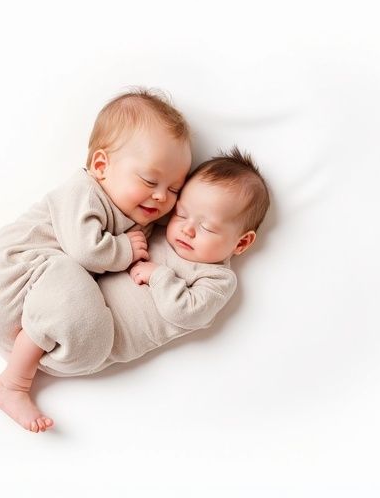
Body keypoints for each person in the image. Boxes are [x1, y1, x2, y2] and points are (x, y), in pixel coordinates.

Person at [0, 88, 192, 432]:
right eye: (150, 180)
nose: (161, 196)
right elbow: (86, 249)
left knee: (83, 325)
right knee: (74, 290)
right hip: (7, 277)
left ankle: (25, 356)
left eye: (174, 189)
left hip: (28, 307)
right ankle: (12, 384)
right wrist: (126, 251)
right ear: (102, 166)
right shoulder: (82, 192)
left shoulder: (133, 214)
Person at [92, 147, 270, 373]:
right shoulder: (157, 230)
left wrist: (158, 276)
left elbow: (188, 313)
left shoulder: (218, 279)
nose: (187, 229)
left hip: (102, 339)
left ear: (241, 243)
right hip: (85, 294)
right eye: (181, 214)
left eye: (207, 227)